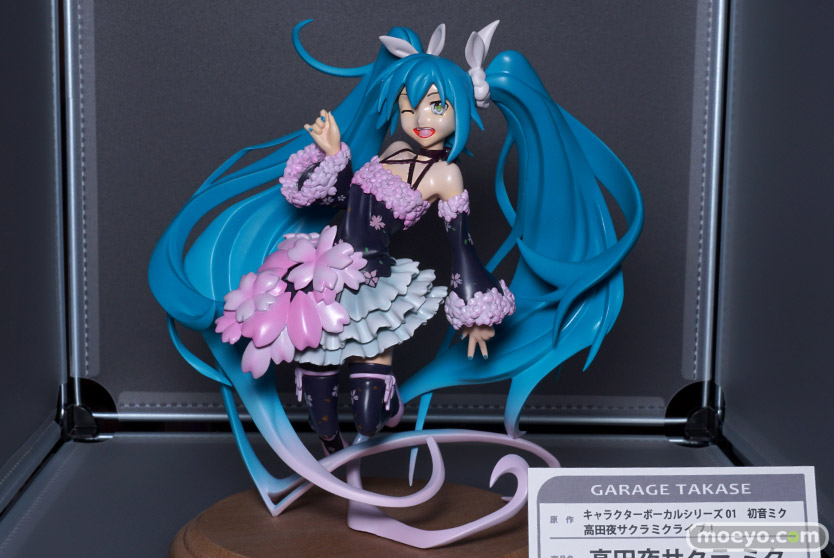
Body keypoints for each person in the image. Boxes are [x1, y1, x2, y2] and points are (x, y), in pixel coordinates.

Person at [149, 20, 642, 546]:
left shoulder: (444, 176)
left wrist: (476, 314)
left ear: (460, 111)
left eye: (437, 107)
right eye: (411, 107)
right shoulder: (384, 155)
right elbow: (334, 200)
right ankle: (339, 476)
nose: (422, 119)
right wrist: (334, 154)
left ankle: (378, 422)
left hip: (374, 287)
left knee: (367, 409)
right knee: (318, 406)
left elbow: (462, 245)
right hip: (321, 276)